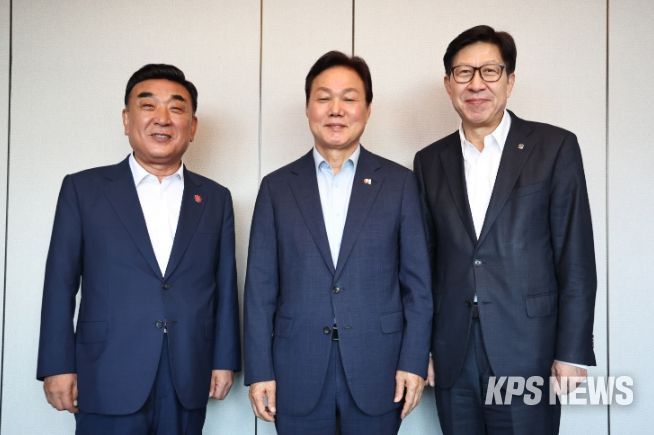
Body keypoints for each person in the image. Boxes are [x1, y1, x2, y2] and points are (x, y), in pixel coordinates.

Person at [36, 64, 241, 435]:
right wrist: (57, 365)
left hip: (187, 372)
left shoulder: (214, 198)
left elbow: (224, 286)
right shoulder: (83, 190)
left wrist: (224, 360)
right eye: (148, 106)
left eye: (176, 108)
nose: (162, 118)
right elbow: (59, 284)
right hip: (105, 371)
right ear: (126, 120)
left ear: (192, 126)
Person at [414, 25, 597, 434]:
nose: (476, 84)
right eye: (464, 72)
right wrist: (420, 349)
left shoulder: (554, 147)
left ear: (510, 81)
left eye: (490, 71)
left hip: (529, 348)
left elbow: (576, 255)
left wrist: (572, 351)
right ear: (448, 84)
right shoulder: (429, 161)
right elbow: (424, 263)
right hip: (453, 349)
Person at [244, 50, 432, 435]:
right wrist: (259, 370)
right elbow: (260, 288)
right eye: (324, 98)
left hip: (379, 369)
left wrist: (414, 361)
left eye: (349, 98)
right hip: (295, 370)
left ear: (367, 109)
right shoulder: (277, 188)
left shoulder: (399, 184)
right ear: (308, 107)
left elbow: (418, 285)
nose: (336, 109)